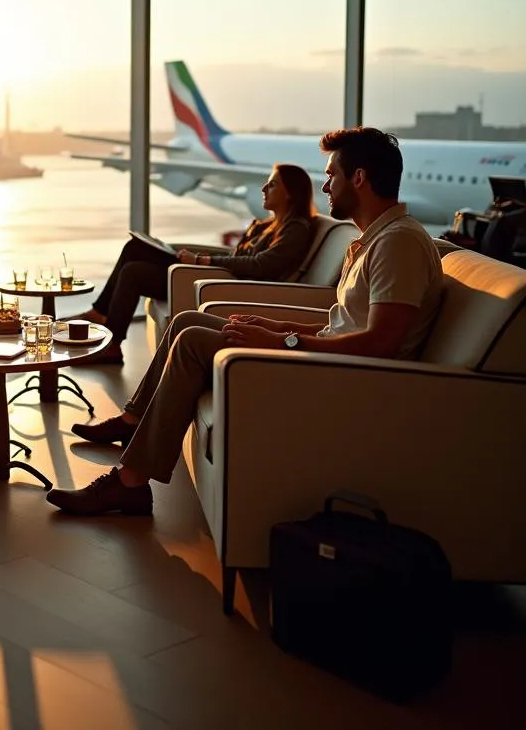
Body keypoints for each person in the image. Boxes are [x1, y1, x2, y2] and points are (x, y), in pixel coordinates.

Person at [47, 128, 444, 516]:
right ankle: (134, 425)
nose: (325, 188)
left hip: (342, 382)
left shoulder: (398, 243)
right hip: (329, 364)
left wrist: (283, 344)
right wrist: (276, 330)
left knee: (191, 342)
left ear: (358, 179)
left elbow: (380, 344)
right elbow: (344, 325)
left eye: (331, 176)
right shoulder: (376, 240)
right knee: (187, 320)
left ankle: (130, 483)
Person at [76, 164, 318, 364]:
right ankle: (106, 327)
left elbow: (260, 265)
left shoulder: (295, 229)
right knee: (135, 253)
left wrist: (202, 260)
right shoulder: (271, 226)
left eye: (272, 184)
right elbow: (238, 256)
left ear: (291, 193)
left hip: (220, 284)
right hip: (214, 275)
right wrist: (198, 255)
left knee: (134, 263)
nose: (264, 188)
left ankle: (105, 325)